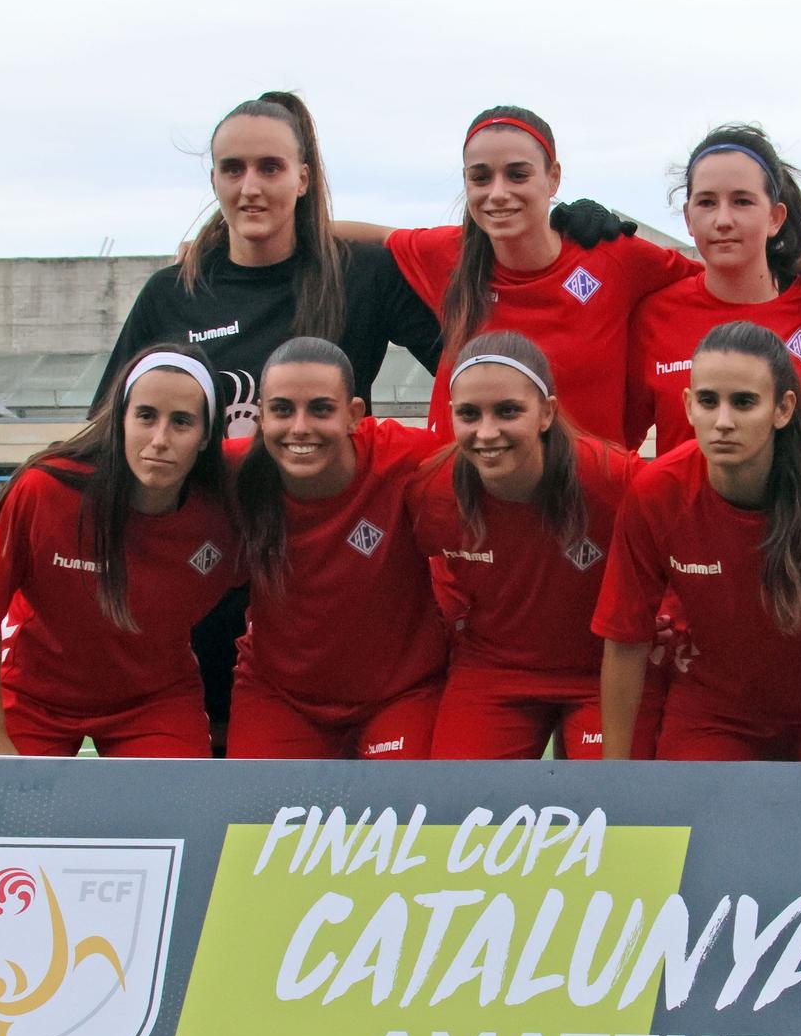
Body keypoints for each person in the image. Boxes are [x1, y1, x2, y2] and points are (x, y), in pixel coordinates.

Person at [95, 91, 445, 750]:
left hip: (327, 583)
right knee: (232, 803)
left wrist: (563, 234)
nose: (250, 186)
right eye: (232, 169)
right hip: (210, 581)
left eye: (270, 168)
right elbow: (112, 433)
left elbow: (467, 363)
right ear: (214, 180)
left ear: (304, 178)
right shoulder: (174, 293)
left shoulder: (359, 276)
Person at [353, 105, 801, 444]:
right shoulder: (451, 253)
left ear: (554, 178)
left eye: (518, 174)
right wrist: (288, 211)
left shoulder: (618, 259)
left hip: (584, 517)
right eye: (480, 177)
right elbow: (364, 236)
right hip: (469, 504)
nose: (498, 192)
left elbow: (724, 265)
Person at [593, 321, 801, 763]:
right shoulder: (656, 493)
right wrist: (613, 772)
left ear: (783, 408)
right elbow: (625, 639)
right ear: (688, 406)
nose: (723, 422)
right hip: (715, 713)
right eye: (708, 401)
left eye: (744, 403)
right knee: (701, 826)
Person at [0, 345, 238, 758]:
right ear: (121, 421)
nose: (160, 439)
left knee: (176, 819)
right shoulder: (44, 491)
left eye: (182, 422)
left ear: (205, 437)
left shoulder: (225, 514)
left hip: (153, 700)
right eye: (146, 416)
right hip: (33, 696)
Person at [410, 330, 658, 759]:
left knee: (612, 811)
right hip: (493, 671)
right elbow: (428, 572)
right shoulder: (433, 491)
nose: (487, 432)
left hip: (603, 671)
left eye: (508, 411)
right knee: (462, 809)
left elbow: (675, 547)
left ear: (546, 413)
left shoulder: (614, 481)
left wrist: (668, 615)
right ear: (451, 415)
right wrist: (455, 619)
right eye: (469, 414)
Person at [225, 337, 446, 759]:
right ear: (260, 417)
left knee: (405, 819)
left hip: (401, 694)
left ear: (353, 415)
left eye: (321, 409)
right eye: (282, 410)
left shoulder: (410, 457)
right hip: (280, 695)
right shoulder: (234, 473)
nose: (300, 427)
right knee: (259, 823)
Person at [627, 124, 801, 452]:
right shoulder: (654, 316)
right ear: (688, 219)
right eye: (706, 202)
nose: (723, 220)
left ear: (775, 217)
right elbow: (621, 442)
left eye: (742, 201)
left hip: (799, 505)